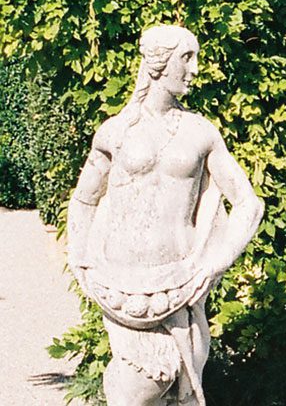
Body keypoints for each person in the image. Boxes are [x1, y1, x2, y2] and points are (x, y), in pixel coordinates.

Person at [67, 25, 264, 405]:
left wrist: (214, 264)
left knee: (178, 390)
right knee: (137, 388)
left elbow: (249, 204)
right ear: (158, 63)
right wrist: (80, 258)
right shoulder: (115, 132)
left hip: (182, 284)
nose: (194, 69)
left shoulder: (201, 133)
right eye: (186, 58)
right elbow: (84, 200)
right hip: (121, 287)